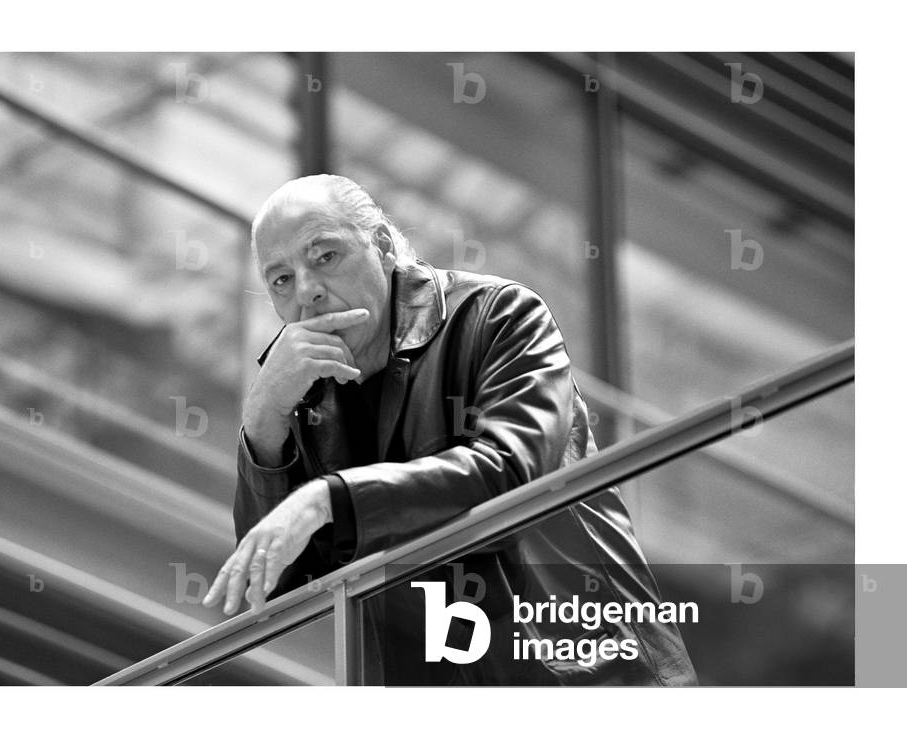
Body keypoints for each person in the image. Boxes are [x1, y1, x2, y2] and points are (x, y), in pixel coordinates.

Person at [203, 174, 697, 685]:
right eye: (281, 280)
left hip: (590, 679)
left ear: (384, 246)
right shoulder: (302, 395)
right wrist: (263, 422)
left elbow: (513, 470)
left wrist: (329, 500)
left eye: (324, 256)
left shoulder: (499, 316)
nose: (307, 292)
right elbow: (276, 589)